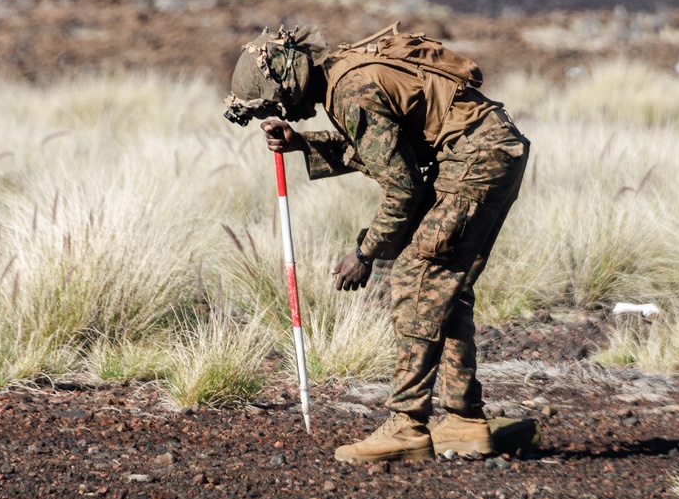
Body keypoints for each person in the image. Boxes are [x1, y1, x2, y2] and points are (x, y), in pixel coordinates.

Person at [224, 24, 528, 465]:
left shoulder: (350, 92)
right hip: (491, 152)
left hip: (476, 162)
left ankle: (407, 425)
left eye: (274, 101)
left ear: (289, 84)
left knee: (417, 278)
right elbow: (386, 147)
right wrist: (303, 144)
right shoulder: (345, 73)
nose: (282, 110)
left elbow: (403, 188)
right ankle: (464, 420)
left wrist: (365, 252)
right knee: (445, 288)